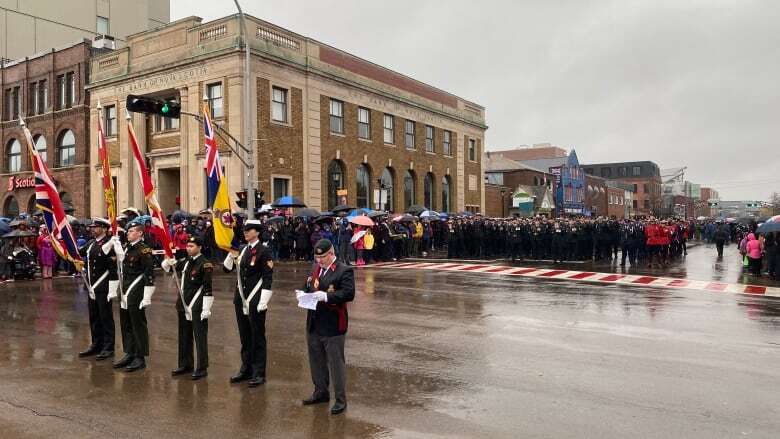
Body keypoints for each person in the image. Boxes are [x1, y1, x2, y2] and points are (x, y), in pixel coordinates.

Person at [300, 238, 355, 415]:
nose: (319, 261)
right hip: (314, 323)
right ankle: (320, 392)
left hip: (333, 325)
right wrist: (303, 293)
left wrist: (326, 297)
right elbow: (308, 285)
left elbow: (348, 293)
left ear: (331, 253)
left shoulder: (344, 270)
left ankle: (340, 399)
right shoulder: (315, 268)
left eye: (322, 257)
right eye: (317, 258)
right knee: (316, 361)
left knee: (335, 364)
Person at [223, 219, 273, 387]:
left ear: (257, 232)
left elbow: (267, 277)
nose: (245, 232)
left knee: (257, 336)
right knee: (245, 336)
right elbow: (226, 269)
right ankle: (246, 369)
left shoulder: (264, 251)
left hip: (256, 299)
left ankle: (259, 373)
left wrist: (263, 300)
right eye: (244, 229)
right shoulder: (243, 250)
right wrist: (230, 254)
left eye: (249, 229)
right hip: (241, 299)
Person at [162, 235, 213, 380]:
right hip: (183, 304)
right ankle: (185, 364)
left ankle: (202, 367)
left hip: (197, 304)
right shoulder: (185, 262)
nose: (189, 248)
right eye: (188, 246)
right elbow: (167, 269)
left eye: (192, 246)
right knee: (184, 336)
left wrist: (206, 308)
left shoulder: (205, 264)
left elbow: (208, 287)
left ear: (200, 247)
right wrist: (168, 260)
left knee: (199, 336)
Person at [112, 222, 156, 372]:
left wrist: (147, 296)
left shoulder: (144, 250)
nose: (128, 233)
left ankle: (140, 356)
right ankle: (129, 352)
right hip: (125, 290)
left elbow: (149, 274)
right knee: (126, 323)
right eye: (128, 231)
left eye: (131, 231)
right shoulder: (127, 248)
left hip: (136, 290)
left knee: (138, 323)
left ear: (140, 233)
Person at [78, 218, 118, 361]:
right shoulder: (91, 243)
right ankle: (96, 344)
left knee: (105, 317)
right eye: (92, 227)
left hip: (103, 286)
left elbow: (113, 269)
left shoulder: (110, 243)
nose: (92, 229)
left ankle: (108, 347)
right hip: (92, 287)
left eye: (96, 227)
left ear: (104, 229)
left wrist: (113, 288)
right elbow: (78, 253)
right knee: (94, 317)